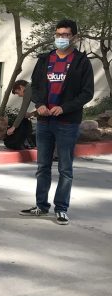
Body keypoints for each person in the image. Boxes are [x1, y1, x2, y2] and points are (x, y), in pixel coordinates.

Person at [20, 19, 94, 225]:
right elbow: (34, 87)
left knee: (65, 168)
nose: (61, 38)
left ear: (75, 37)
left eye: (66, 35)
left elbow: (87, 93)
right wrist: (40, 104)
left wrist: (65, 107)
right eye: (58, 34)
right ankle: (41, 206)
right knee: (42, 166)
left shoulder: (81, 62)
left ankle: (61, 208)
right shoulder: (45, 59)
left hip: (67, 123)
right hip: (44, 121)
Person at [4, 80, 36, 150]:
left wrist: (13, 127)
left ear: (21, 87)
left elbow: (23, 110)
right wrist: (32, 114)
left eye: (17, 92)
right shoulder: (32, 88)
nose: (19, 95)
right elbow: (42, 106)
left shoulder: (28, 89)